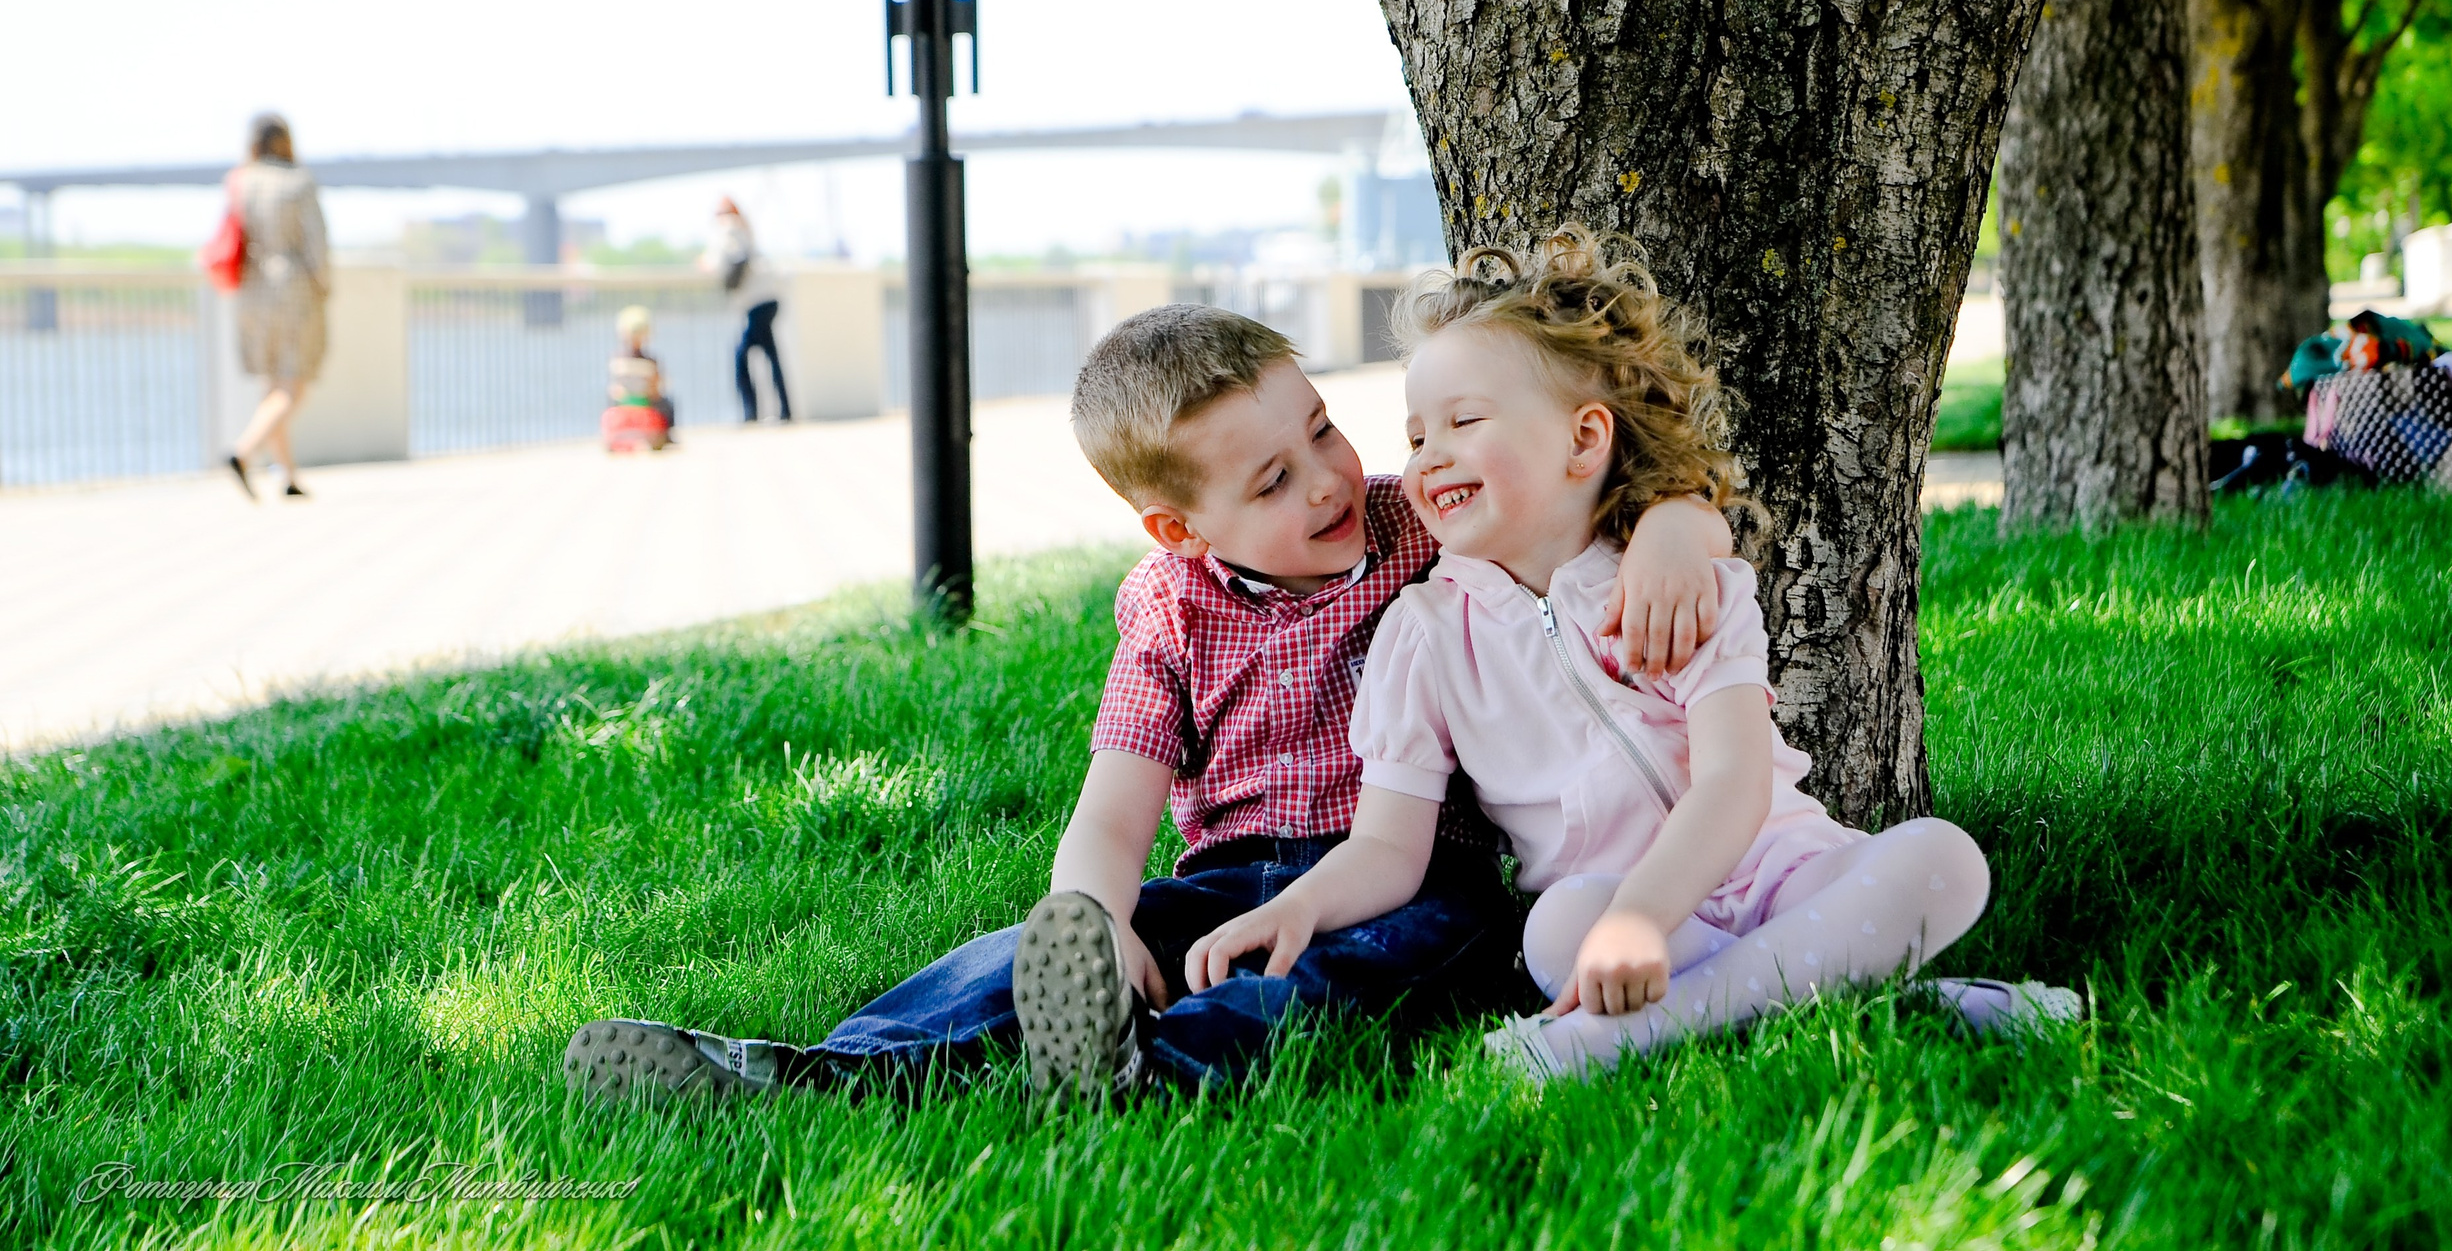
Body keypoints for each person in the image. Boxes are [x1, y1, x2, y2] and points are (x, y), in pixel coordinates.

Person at [561, 303, 1738, 1103]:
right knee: (1024, 953)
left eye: (1322, 429)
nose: (1326, 479)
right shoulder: (1168, 612)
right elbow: (1114, 814)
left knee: (1352, 970)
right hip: (1227, 879)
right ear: (1179, 527)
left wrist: (1679, 525)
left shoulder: (1411, 525)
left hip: (1416, 867)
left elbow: (1579, 497)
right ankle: (833, 1068)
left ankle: (1149, 1070)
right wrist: (1101, 917)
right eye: (1272, 480)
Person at [1185, 227, 2078, 1087]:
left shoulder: (1680, 581)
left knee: (1943, 858)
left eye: (1464, 421)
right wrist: (1298, 904)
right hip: (1601, 901)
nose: (1429, 459)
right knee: (1555, 931)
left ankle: (1631, 1032)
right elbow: (1387, 844)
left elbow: (1734, 780)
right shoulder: (1422, 633)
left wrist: (1646, 920)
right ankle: (1895, 999)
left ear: (1584, 439)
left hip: (1786, 873)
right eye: (1418, 437)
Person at [224, 113, 330, 501]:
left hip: (253, 290)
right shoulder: (298, 181)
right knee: (292, 385)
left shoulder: (241, 182)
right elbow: (317, 244)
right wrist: (324, 287)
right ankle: (244, 452)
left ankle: (287, 476)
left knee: (271, 384)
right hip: (293, 288)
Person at [706, 197, 789, 423]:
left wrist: (709, 264)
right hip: (768, 298)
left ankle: (752, 413)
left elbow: (724, 258)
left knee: (741, 357)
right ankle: (784, 410)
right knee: (770, 355)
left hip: (756, 302)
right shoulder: (745, 229)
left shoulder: (728, 228)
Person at [603, 304, 675, 449]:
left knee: (610, 400)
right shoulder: (650, 360)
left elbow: (615, 386)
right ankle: (667, 435)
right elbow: (656, 386)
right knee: (668, 404)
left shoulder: (617, 359)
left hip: (623, 400)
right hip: (646, 400)